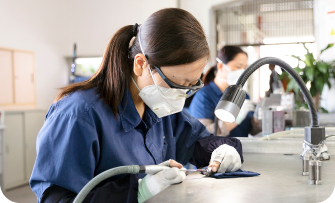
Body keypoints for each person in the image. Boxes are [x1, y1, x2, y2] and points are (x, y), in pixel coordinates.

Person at [30, 8, 244, 203]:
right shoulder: (79, 115)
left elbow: (199, 142)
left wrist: (222, 151)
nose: (182, 94)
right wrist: (138, 191)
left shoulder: (160, 109)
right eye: (176, 83)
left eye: (191, 85)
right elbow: (56, 199)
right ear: (141, 64)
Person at [189, 46, 261, 137]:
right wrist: (237, 119)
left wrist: (257, 120)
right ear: (220, 66)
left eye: (245, 68)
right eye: (238, 67)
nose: (242, 72)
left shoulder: (244, 96)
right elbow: (204, 133)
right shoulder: (204, 96)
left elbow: (251, 131)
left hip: (243, 149)